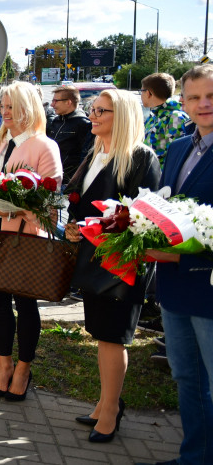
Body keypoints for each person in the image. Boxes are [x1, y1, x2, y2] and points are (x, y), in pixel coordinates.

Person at [62, 89, 160, 443]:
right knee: (101, 336)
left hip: (121, 265)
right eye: (93, 109)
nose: (93, 115)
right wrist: (74, 227)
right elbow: (82, 205)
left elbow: (141, 218)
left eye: (101, 110)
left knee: (112, 339)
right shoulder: (97, 153)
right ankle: (105, 403)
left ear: (122, 117)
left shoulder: (140, 158)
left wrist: (91, 228)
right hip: (93, 261)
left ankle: (110, 411)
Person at [0, 81, 62, 396]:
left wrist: (7, 209)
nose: (4, 112)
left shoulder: (44, 146)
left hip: (24, 239)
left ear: (28, 108)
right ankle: (3, 365)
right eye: (3, 106)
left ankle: (23, 369)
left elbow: (49, 205)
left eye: (12, 107)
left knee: (25, 303)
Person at [142, 64, 213, 465]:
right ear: (182, 102)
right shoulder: (180, 148)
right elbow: (164, 205)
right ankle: (196, 457)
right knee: (187, 378)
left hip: (209, 288)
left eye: (211, 96)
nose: (204, 104)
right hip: (174, 285)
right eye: (195, 97)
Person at [141, 72, 191, 165]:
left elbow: (176, 157)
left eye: (141, 91)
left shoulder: (175, 118)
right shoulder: (154, 116)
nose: (141, 95)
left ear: (148, 93)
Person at [47, 85, 93, 182]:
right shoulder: (55, 121)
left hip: (67, 181)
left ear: (68, 102)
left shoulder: (83, 124)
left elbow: (84, 158)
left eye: (55, 101)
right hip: (49, 177)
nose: (52, 104)